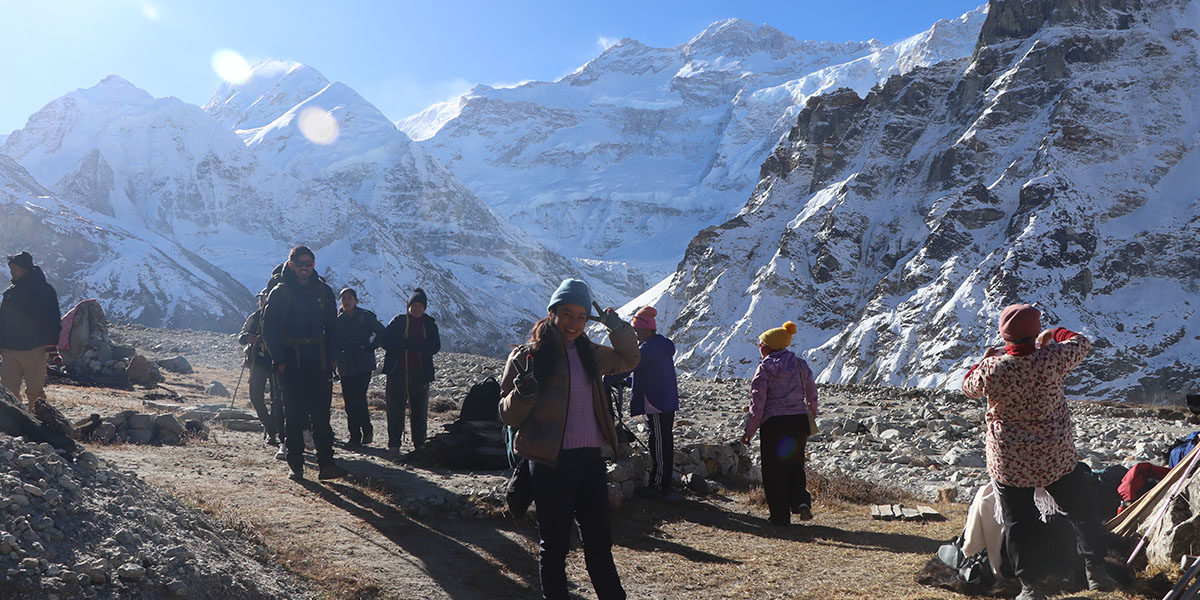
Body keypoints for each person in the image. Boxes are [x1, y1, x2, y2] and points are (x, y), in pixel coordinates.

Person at [499, 278, 639, 600]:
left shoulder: (591, 353)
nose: (574, 323)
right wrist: (524, 393)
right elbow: (507, 415)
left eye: (581, 316)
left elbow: (630, 359)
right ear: (552, 313)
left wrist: (617, 327)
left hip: (589, 459)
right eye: (567, 314)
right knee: (555, 545)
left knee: (599, 541)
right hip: (549, 463)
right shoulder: (526, 357)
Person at [962, 304, 1113, 600]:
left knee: (1018, 523)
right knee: (1082, 510)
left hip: (1010, 461)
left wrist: (982, 361)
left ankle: (1031, 586)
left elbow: (968, 387)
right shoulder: (1054, 359)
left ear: (1004, 335)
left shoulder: (994, 368)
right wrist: (1052, 334)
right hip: (1054, 456)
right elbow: (1082, 341)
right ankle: (1096, 569)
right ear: (1034, 333)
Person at [261, 246, 345, 482]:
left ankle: (327, 465)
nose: (304, 267)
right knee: (294, 416)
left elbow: (333, 327)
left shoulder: (324, 292)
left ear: (314, 264)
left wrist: (332, 356)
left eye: (308, 263)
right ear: (291, 265)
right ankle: (296, 465)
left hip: (319, 361)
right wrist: (281, 361)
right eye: (300, 263)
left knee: (321, 416)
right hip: (291, 362)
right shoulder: (279, 293)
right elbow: (269, 330)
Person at [740, 320, 818, 526]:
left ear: (768, 347)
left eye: (761, 344)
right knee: (795, 464)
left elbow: (757, 403)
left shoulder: (764, 368)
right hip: (798, 422)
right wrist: (812, 414)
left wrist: (750, 430)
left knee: (774, 470)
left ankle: (780, 517)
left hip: (775, 425)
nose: (759, 347)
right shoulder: (801, 364)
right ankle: (801, 501)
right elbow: (812, 393)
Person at [617, 306, 680, 499]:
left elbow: (630, 366)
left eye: (636, 330)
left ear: (645, 330)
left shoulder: (648, 348)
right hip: (661, 402)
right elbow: (647, 374)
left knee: (659, 444)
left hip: (657, 404)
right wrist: (627, 382)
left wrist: (607, 379)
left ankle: (659, 486)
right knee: (661, 442)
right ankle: (660, 483)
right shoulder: (659, 345)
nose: (635, 334)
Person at [380, 288, 440, 459]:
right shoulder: (398, 321)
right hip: (397, 371)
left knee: (419, 410)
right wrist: (401, 344)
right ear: (408, 306)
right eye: (414, 305)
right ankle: (394, 444)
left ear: (425, 307)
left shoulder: (429, 323)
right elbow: (385, 341)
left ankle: (419, 444)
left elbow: (435, 347)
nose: (417, 309)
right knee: (395, 408)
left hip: (420, 372)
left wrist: (419, 347)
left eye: (420, 306)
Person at [0, 251, 61, 409]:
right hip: (10, 350)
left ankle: (38, 422)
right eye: (11, 267)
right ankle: (13, 423)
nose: (12, 271)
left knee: (35, 391)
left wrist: (51, 344)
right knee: (8, 391)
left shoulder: (43, 291)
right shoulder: (11, 292)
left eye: (15, 268)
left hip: (35, 348)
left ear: (25, 269)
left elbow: (53, 319)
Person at [335, 288, 385, 447]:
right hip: (346, 365)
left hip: (363, 364)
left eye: (349, 298)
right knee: (350, 402)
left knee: (359, 398)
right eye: (344, 298)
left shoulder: (365, 316)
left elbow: (382, 332)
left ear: (355, 300)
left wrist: (373, 346)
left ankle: (366, 430)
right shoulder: (339, 320)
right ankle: (355, 436)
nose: (346, 301)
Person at [238, 291, 281, 446]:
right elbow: (241, 336)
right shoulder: (254, 317)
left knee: (277, 399)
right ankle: (270, 426)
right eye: (261, 299)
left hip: (275, 362)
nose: (262, 301)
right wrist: (247, 338)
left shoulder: (278, 317)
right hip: (257, 363)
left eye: (264, 298)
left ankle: (272, 430)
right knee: (255, 397)